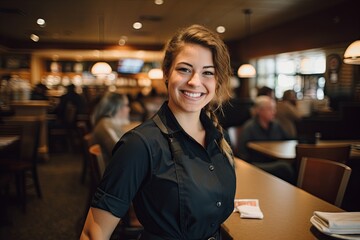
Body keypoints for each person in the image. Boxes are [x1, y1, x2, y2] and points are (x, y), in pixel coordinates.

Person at [80, 24, 236, 240]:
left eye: (207, 72)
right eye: (184, 69)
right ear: (166, 73)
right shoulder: (139, 145)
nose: (194, 81)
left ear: (216, 81)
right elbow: (92, 233)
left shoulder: (219, 138)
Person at [237, 95, 295, 183]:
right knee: (284, 167)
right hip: (256, 164)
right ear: (260, 111)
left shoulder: (276, 125)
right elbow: (242, 154)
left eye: (274, 109)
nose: (273, 112)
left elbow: (288, 140)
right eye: (270, 109)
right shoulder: (249, 127)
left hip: (274, 160)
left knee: (296, 165)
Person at [91, 92, 132, 164]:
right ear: (116, 107)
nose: (129, 109)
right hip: (116, 171)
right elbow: (122, 154)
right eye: (126, 105)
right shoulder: (106, 126)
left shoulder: (107, 123)